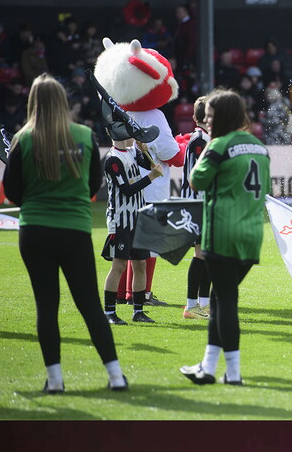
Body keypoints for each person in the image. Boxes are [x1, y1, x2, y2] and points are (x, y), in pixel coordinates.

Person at [2, 73, 129, 394]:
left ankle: (55, 381)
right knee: (88, 304)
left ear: (33, 102)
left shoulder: (23, 139)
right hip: (74, 231)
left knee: (47, 307)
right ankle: (115, 376)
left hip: (34, 231)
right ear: (63, 101)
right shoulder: (84, 136)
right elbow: (91, 186)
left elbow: (13, 191)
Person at [180, 89, 271, 386]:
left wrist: (207, 153)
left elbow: (197, 180)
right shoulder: (259, 146)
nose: (206, 121)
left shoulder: (218, 145)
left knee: (225, 302)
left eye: (210, 116)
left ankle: (232, 373)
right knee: (220, 300)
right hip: (251, 234)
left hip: (222, 232)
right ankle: (207, 368)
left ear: (223, 117)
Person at [100, 134, 164, 325]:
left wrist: (144, 150)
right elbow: (127, 190)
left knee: (140, 264)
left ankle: (138, 311)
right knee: (118, 266)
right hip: (120, 219)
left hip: (137, 217)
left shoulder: (130, 152)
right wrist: (152, 177)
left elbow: (146, 164)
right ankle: (109, 312)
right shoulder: (112, 159)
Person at [180, 96, 212, 320]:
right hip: (198, 203)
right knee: (201, 253)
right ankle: (192, 306)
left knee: (206, 254)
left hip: (203, 203)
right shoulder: (200, 139)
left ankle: (203, 304)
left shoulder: (205, 138)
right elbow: (203, 173)